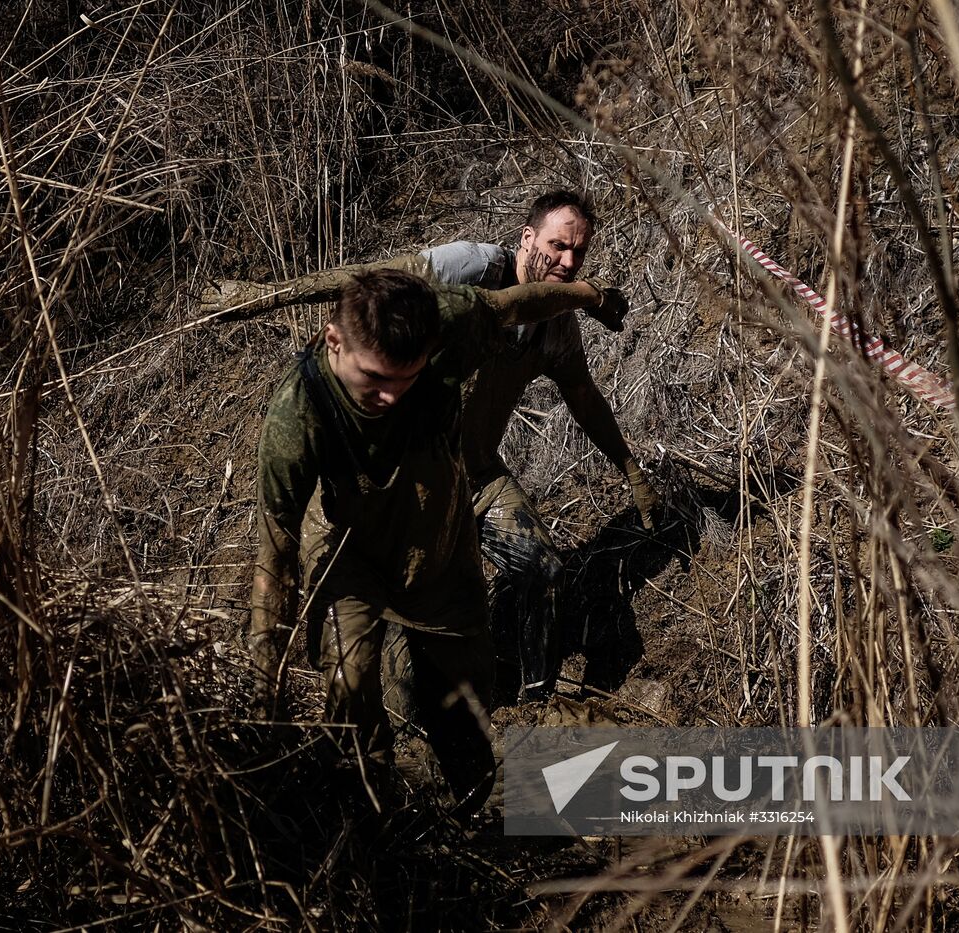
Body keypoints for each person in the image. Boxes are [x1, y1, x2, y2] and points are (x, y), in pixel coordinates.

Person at [247, 266, 628, 820]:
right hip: (347, 547)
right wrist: (264, 680)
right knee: (350, 683)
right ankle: (373, 817)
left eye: (405, 378)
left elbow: (521, 303)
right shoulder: (296, 416)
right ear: (335, 340)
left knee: (467, 693)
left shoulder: (449, 315)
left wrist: (589, 296)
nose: (389, 395)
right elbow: (274, 550)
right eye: (374, 378)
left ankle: (477, 807)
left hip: (436, 532)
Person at [405, 190, 661, 702]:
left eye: (579, 253)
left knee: (544, 569)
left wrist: (630, 469)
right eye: (557, 245)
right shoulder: (472, 268)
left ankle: (536, 702)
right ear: (527, 238)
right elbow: (387, 290)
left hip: (476, 474)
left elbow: (585, 400)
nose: (568, 261)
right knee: (411, 624)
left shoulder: (556, 328)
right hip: (408, 480)